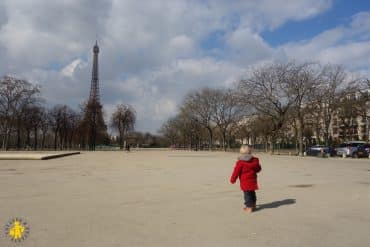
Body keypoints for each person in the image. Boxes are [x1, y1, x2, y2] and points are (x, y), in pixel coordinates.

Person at [230, 145, 262, 213]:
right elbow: (258, 169)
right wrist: (257, 167)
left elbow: (236, 172)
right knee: (252, 193)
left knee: (247, 195)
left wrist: (233, 180)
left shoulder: (240, 163)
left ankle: (249, 207)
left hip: (245, 182)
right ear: (250, 153)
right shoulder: (255, 161)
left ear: (241, 154)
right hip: (253, 181)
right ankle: (253, 205)